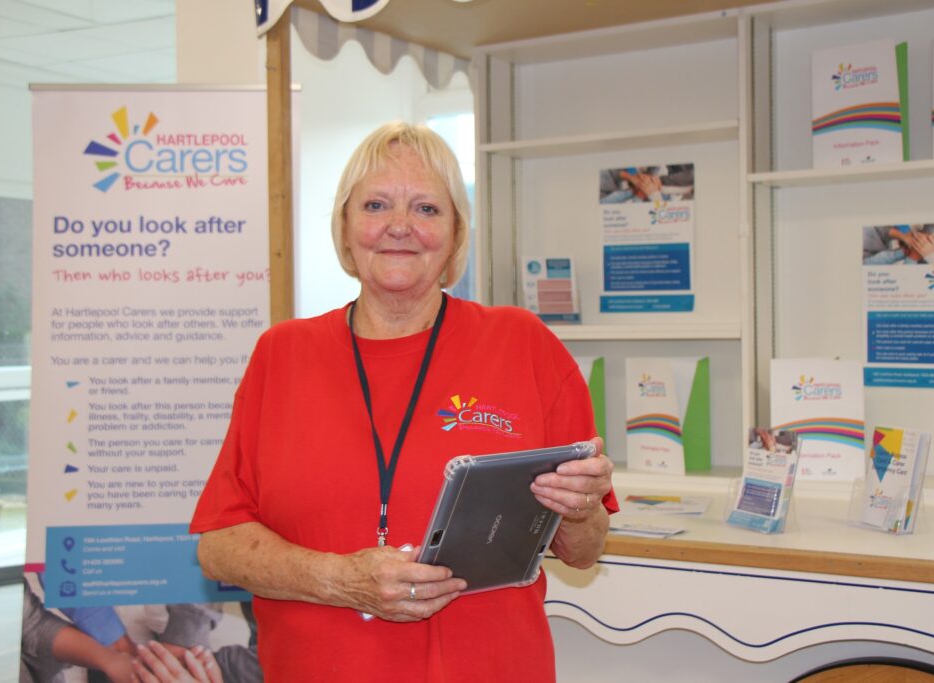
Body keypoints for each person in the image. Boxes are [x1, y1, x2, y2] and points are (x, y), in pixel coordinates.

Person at [189, 121, 617, 682]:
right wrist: (339, 578)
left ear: (456, 235)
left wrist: (582, 504)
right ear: (344, 230)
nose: (399, 227)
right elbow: (219, 545)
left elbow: (583, 551)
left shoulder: (523, 344)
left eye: (426, 209)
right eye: (375, 205)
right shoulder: (281, 355)